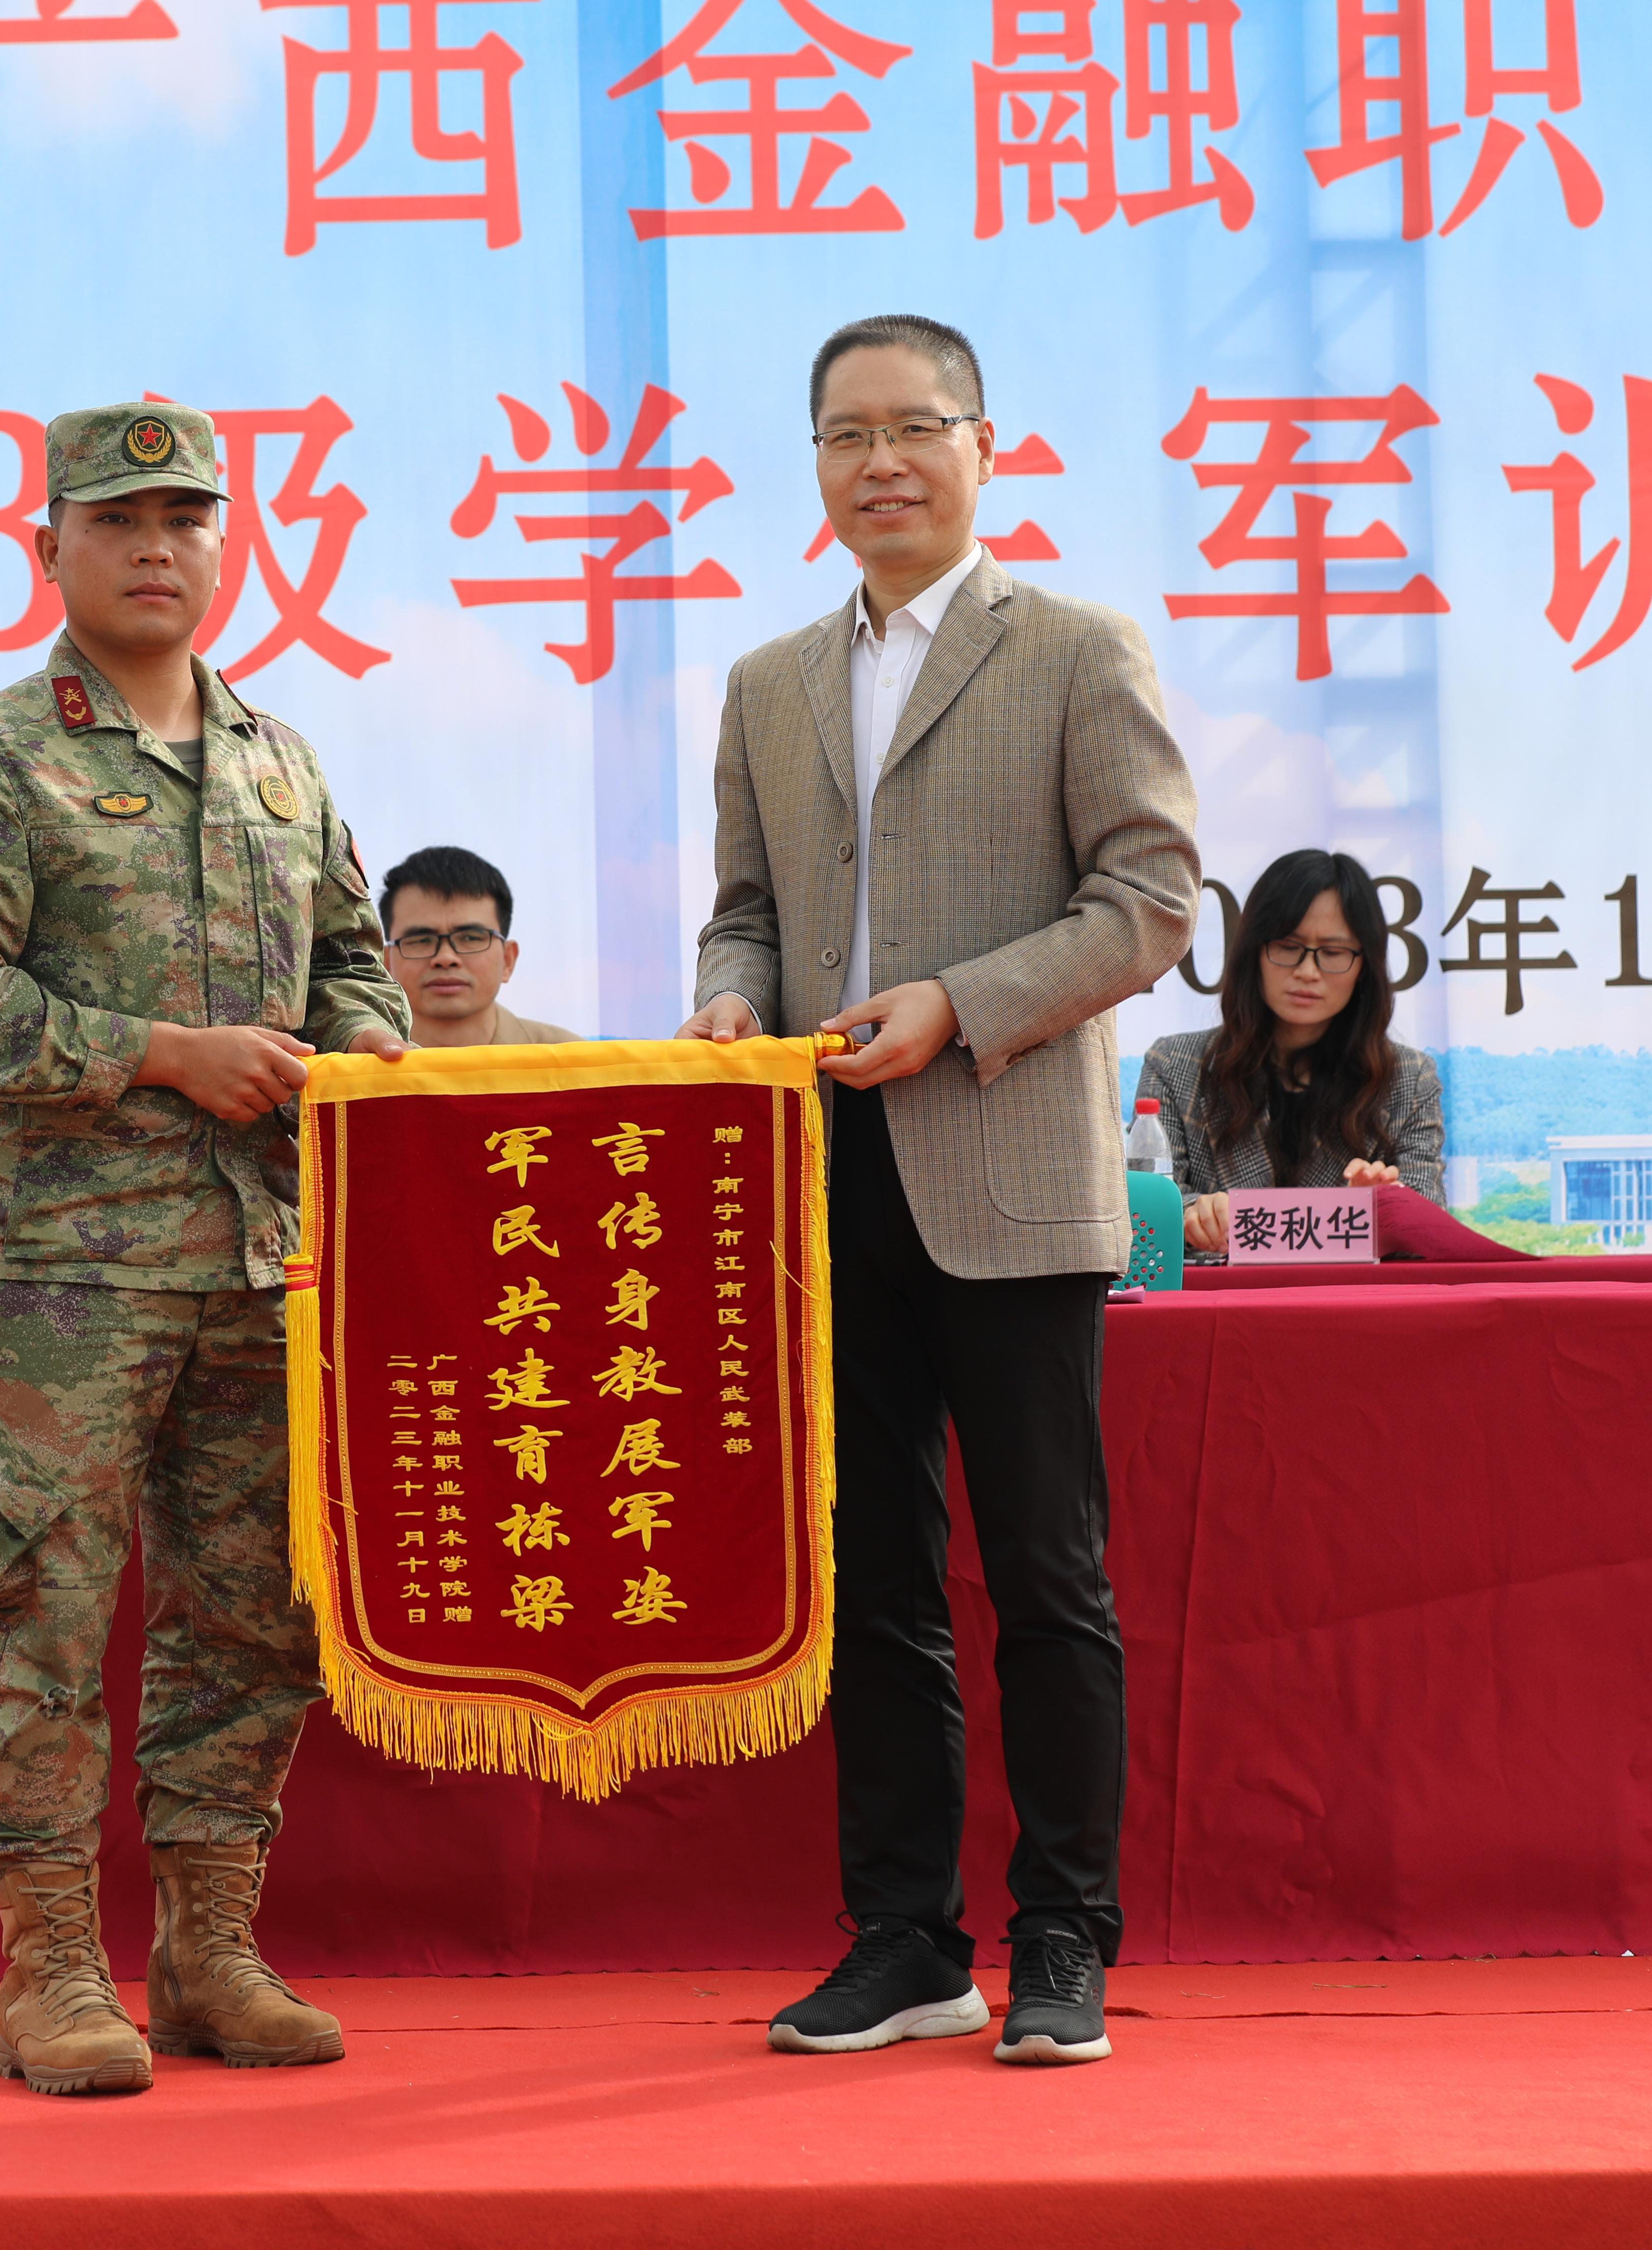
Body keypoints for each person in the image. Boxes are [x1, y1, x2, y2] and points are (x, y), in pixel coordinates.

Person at [0, 400, 412, 2098]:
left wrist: (363, 1044)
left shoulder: (281, 762)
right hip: (69, 1275)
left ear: (228, 544)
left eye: (187, 519)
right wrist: (165, 1054)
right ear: (50, 550)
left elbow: (355, 958)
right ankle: (49, 1967)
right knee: (44, 1609)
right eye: (118, 521)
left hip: (265, 1260)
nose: (157, 549)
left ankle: (210, 1951)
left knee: (254, 1612)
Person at [681, 313, 1197, 2068]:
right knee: (870, 1580)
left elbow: (1148, 899)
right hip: (818, 1179)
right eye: (845, 435)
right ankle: (906, 1937)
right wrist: (732, 994)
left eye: (914, 427)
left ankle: (1063, 1933)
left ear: (986, 447)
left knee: (1048, 1575)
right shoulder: (767, 682)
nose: (880, 462)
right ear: (815, 466)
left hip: (1011, 1164)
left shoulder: (1070, 648)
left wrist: (958, 1007)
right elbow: (745, 907)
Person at [1136, 850, 1445, 1258]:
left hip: (1349, 1298)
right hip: (1222, 1296)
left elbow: (1430, 1226)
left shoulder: (1410, 1078)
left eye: (1333, 953)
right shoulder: (1174, 1066)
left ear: (1364, 967)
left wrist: (1383, 1208)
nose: (1308, 972)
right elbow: (1146, 1211)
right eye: (1288, 946)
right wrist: (1196, 1216)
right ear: (1254, 952)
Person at [376, 843, 581, 1046]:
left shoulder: (571, 1059)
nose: (446, 958)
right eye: (422, 940)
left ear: (508, 960)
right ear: (387, 963)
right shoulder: (359, 1061)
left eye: (471, 938)